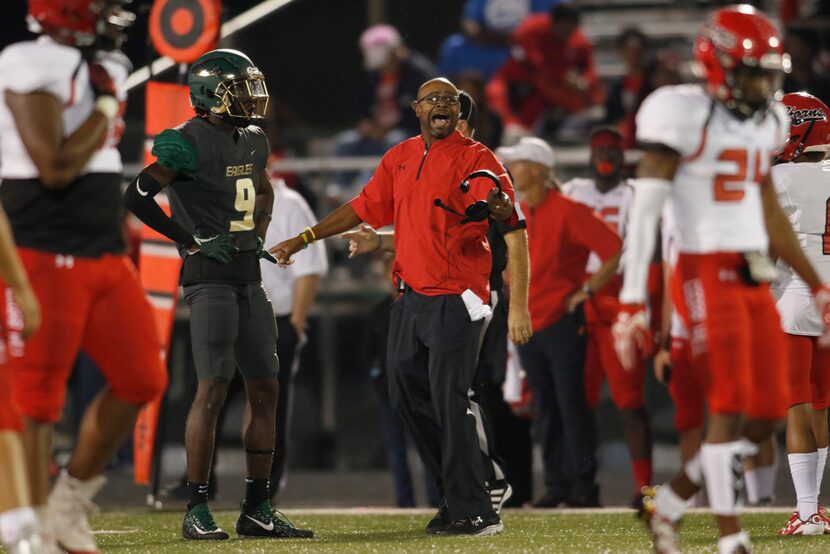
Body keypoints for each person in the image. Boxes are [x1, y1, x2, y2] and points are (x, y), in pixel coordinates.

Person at [613, 7, 830, 553]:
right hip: (703, 266)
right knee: (732, 403)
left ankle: (671, 500)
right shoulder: (676, 110)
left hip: (756, 277)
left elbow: (772, 215)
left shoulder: (768, 122)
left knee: (763, 416)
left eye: (769, 74)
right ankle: (731, 538)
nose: (764, 85)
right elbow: (646, 209)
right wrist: (633, 300)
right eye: (754, 72)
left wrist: (817, 283)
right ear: (718, 66)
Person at [271, 77, 518, 536]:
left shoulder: (477, 156)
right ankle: (460, 492)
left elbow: (501, 204)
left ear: (457, 112)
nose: (441, 106)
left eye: (449, 100)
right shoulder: (400, 157)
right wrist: (304, 238)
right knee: (405, 394)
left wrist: (498, 206)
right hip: (410, 296)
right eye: (432, 100)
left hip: (457, 296)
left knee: (450, 399)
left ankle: (478, 508)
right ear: (416, 108)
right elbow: (364, 207)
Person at [123, 48, 312, 541]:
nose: (253, 98)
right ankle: (197, 507)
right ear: (212, 93)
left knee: (266, 388)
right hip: (209, 277)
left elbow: (265, 192)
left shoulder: (252, 139)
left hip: (249, 276)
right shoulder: (186, 141)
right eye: (242, 88)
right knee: (212, 389)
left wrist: (259, 233)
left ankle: (256, 506)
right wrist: (186, 238)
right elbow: (137, 195)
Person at [0, 2, 168, 552]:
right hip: (43, 248)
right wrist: (101, 101)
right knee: (36, 398)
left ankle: (68, 502)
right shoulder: (28, 61)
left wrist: (103, 90)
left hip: (102, 251)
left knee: (143, 376)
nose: (111, 15)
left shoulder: (101, 65)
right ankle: (25, 526)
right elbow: (54, 166)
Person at [342, 90, 535, 508]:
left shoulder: (481, 166)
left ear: (469, 126)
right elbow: (428, 233)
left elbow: (516, 240)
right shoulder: (429, 159)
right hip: (436, 290)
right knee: (426, 390)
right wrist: (381, 241)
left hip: (475, 292)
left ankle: (485, 478)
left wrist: (519, 306)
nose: (451, 125)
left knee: (456, 392)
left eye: (459, 118)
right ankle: (467, 480)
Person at [498, 136, 621, 508]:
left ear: (538, 169)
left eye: (517, 164)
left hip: (563, 324)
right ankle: (556, 485)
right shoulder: (515, 212)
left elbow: (613, 248)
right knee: (546, 410)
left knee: (570, 406)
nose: (511, 170)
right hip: (531, 324)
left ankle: (583, 488)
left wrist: (586, 290)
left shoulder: (568, 209)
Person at [562, 126, 654, 504]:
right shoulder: (573, 192)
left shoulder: (635, 194)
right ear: (589, 155)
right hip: (577, 304)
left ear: (623, 158)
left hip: (617, 302)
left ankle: (642, 487)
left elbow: (640, 251)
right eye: (599, 149)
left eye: (613, 152)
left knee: (629, 403)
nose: (606, 157)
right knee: (575, 404)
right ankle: (582, 487)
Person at [771, 92, 830, 536]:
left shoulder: (779, 178)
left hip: (796, 295)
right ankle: (815, 508)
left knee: (797, 406)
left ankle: (807, 512)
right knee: (822, 407)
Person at [260, 177, 328, 499]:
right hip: (233, 318)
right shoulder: (225, 197)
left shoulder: (290, 203)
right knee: (208, 398)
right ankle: (201, 486)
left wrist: (296, 322)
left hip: (277, 320)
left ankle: (266, 489)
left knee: (272, 405)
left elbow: (310, 267)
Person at [486, 3, 604, 143]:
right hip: (516, 77)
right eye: (562, 29)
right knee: (494, 91)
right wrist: (564, 75)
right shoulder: (532, 28)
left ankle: (526, 131)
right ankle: (509, 126)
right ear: (553, 23)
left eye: (569, 30)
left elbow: (589, 67)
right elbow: (536, 62)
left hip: (545, 88)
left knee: (543, 93)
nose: (565, 35)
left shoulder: (578, 41)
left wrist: (584, 81)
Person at [335, 24, 435, 187]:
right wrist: (367, 123)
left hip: (408, 135)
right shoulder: (373, 76)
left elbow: (425, 114)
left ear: (395, 51)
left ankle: (390, 189)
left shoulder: (419, 72)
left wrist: (387, 128)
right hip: (376, 135)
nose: (382, 68)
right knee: (346, 142)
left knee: (395, 140)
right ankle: (339, 193)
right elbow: (363, 105)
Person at [437, 0, 562, 81]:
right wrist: (488, 37)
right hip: (488, 42)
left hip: (524, 47)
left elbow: (552, 25)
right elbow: (468, 22)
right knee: (453, 45)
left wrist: (515, 38)